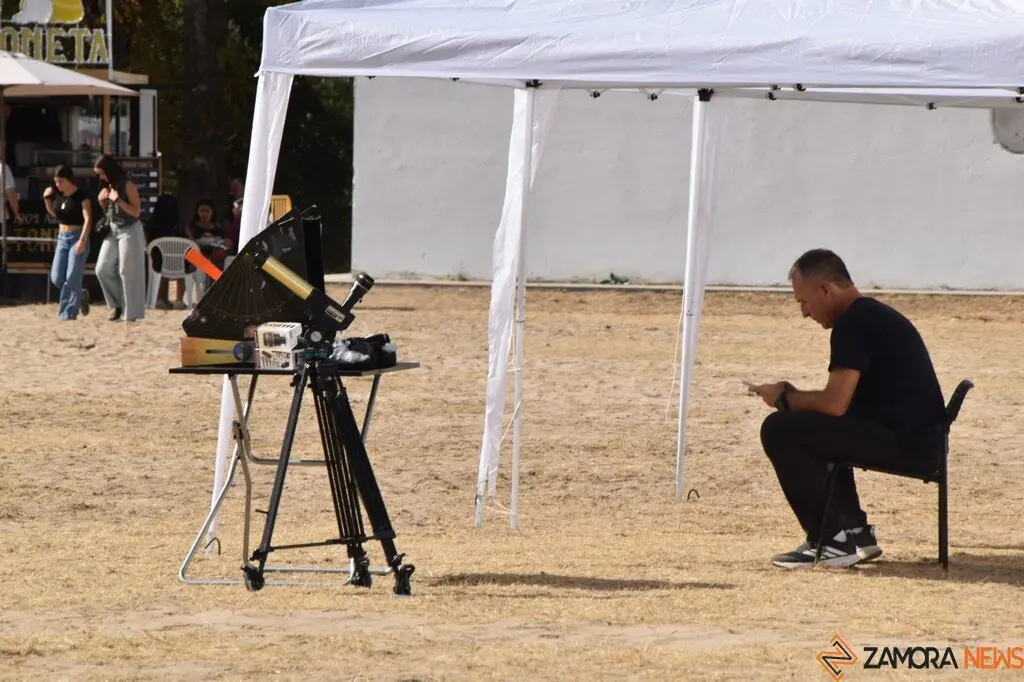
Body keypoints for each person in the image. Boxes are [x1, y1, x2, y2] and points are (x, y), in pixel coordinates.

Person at [747, 249, 948, 570]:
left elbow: (834, 404)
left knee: (780, 429)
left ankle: (832, 540)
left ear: (825, 290)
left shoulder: (854, 322)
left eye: (803, 301)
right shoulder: (870, 316)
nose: (804, 313)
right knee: (808, 426)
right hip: (919, 442)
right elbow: (835, 408)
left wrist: (784, 399)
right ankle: (852, 532)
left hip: (910, 446)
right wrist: (793, 399)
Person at [93, 154, 146, 322]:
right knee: (102, 268)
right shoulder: (108, 186)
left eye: (101, 173)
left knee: (126, 271)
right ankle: (118, 304)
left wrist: (118, 200)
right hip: (113, 229)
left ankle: (130, 314)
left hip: (129, 229)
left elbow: (136, 212)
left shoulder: (127, 185)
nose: (100, 177)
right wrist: (102, 202)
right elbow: (109, 212)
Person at [43, 165, 92, 320]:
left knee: (72, 275)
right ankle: (79, 292)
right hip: (62, 237)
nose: (58, 185)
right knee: (56, 277)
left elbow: (88, 219)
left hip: (78, 236)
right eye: (56, 182)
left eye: (61, 181)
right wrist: (47, 200)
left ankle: (67, 313)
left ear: (70, 180)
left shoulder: (81, 196)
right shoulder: (58, 195)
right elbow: (54, 214)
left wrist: (82, 240)